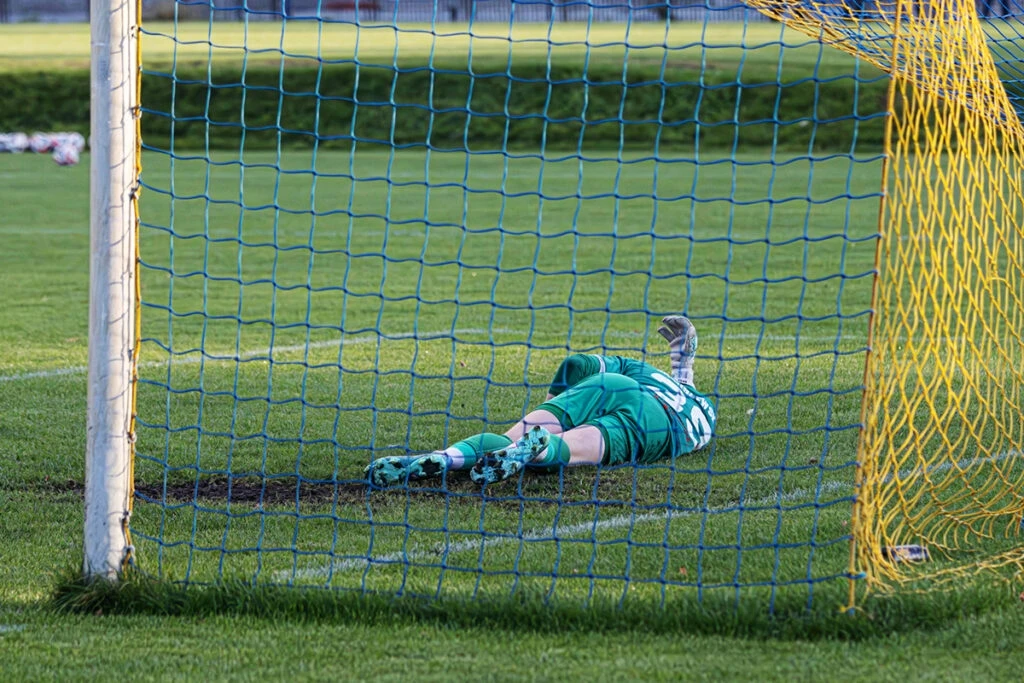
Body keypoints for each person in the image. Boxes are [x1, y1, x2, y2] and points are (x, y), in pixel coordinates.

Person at [364, 315, 717, 487]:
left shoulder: (644, 371)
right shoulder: (704, 413)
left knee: (511, 437)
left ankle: (446, 457)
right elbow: (685, 381)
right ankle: (541, 446)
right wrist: (683, 360)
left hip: (612, 384)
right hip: (656, 422)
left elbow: (577, 364)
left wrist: (552, 407)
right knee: (570, 449)